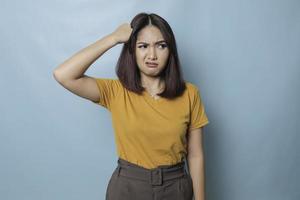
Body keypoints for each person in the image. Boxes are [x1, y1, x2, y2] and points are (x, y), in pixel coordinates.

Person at [53, 12, 209, 200]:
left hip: (175, 187)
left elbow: (195, 156)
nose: (152, 55)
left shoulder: (189, 93)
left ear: (170, 51)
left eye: (161, 46)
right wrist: (113, 38)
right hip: (128, 188)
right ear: (132, 50)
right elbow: (63, 75)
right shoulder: (116, 91)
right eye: (143, 46)